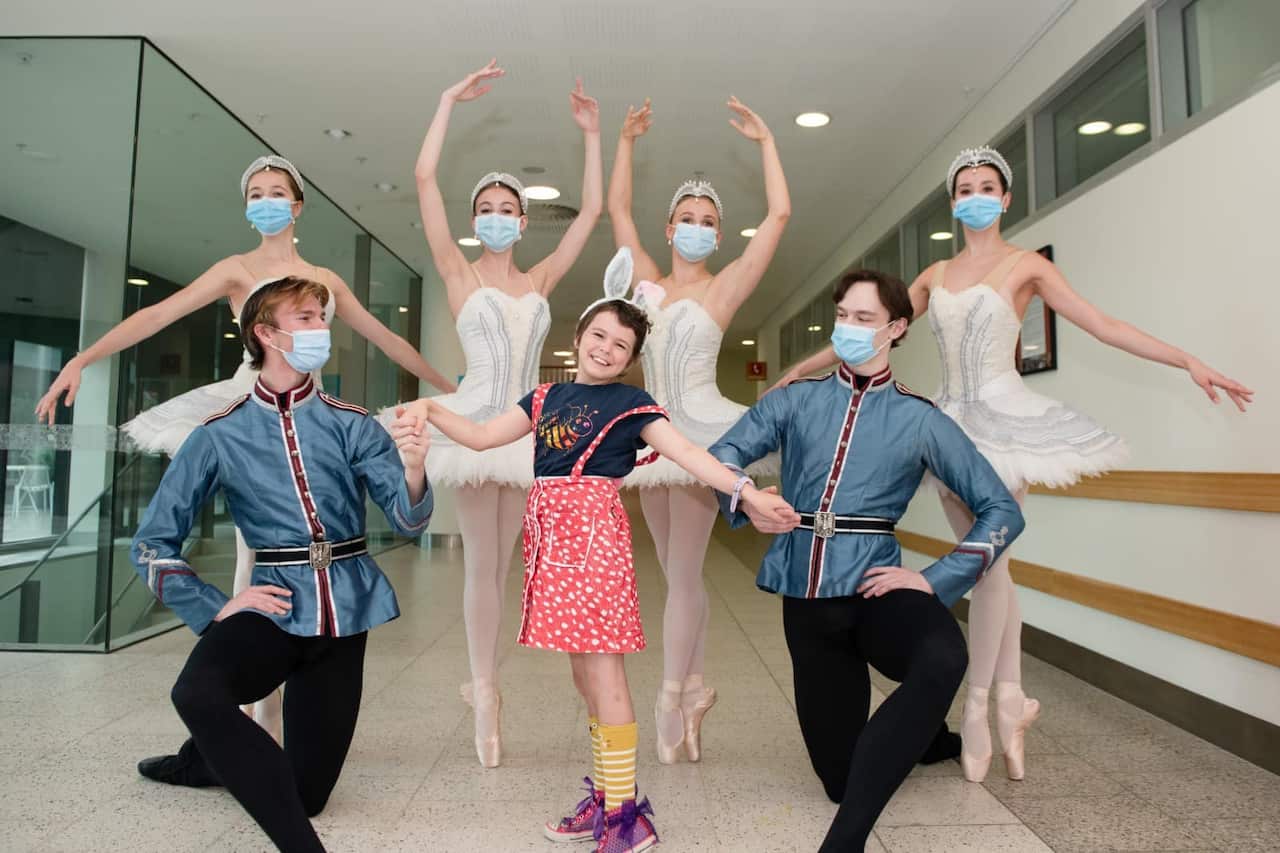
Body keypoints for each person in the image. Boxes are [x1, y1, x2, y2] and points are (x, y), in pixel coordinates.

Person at [770, 145, 1252, 781]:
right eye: (964, 188)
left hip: (1006, 419)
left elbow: (1100, 323)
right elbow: (871, 327)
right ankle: (1010, 699)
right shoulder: (935, 273)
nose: (975, 196)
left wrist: (1187, 360)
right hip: (951, 423)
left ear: (1005, 198)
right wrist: (800, 371)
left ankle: (979, 708)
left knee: (990, 562)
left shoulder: (1027, 265)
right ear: (954, 202)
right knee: (992, 567)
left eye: (986, 187)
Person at [34, 154, 453, 742]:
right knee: (253, 558)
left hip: (309, 411)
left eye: (276, 192)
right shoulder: (235, 269)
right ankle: (256, 706)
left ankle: (292, 694)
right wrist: (82, 358)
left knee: (305, 541)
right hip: (250, 409)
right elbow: (159, 314)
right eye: (256, 194)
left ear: (297, 205)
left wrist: (452, 388)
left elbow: (386, 340)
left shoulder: (324, 280)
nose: (265, 201)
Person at [401, 248, 796, 853]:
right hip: (550, 544)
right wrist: (431, 407)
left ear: (632, 360)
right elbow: (480, 437)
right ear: (579, 336)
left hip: (593, 542)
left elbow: (690, 455)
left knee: (605, 669)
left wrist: (743, 491)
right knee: (583, 671)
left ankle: (626, 817)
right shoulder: (544, 398)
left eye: (621, 346)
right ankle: (608, 797)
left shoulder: (632, 407)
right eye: (599, 336)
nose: (607, 349)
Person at [709, 269, 1025, 851]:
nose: (848, 328)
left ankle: (845, 841)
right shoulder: (795, 400)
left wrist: (935, 578)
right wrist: (747, 497)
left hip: (879, 589)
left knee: (943, 657)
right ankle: (928, 739)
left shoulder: (922, 419)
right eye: (842, 316)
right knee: (840, 780)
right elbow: (721, 454)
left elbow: (1001, 509)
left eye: (864, 318)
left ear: (896, 327)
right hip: (807, 597)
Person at [128, 277, 433, 852]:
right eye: (307, 317)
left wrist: (414, 471)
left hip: (345, 612)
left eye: (322, 316)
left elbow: (408, 522)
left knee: (308, 793)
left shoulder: (353, 423)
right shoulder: (217, 435)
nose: (322, 328)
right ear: (265, 334)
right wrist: (218, 605)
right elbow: (151, 543)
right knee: (196, 694)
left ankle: (208, 761)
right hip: (273, 605)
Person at [409, 59, 603, 767]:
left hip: (526, 431)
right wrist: (446, 99)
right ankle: (486, 694)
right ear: (476, 222)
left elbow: (590, 214)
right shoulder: (458, 275)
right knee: (482, 564)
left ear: (523, 221)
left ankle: (487, 685)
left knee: (506, 566)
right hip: (471, 427)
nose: (495, 216)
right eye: (484, 208)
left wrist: (592, 135)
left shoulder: (541, 278)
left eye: (505, 208)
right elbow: (424, 179)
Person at [607, 95, 790, 763]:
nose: (696, 227)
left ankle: (668, 697)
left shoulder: (724, 287)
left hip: (705, 437)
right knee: (678, 574)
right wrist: (625, 142)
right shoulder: (647, 286)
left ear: (719, 234)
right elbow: (617, 211)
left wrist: (767, 142)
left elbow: (779, 216)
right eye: (686, 218)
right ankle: (694, 690)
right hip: (653, 438)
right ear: (669, 227)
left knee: (683, 575)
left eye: (708, 221)